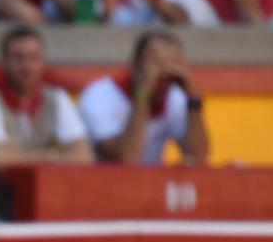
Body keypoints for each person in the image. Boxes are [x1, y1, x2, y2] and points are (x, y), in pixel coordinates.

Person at [0, 26, 93, 224]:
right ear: (3, 62)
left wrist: (32, 158)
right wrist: (54, 156)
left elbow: (84, 157)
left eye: (33, 58)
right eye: (18, 58)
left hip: (28, 213)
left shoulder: (56, 99)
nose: (27, 66)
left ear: (43, 62)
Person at [78, 29, 209, 164]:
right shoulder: (100, 96)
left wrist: (193, 100)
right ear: (135, 66)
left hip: (150, 182)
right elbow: (126, 158)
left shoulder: (174, 97)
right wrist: (143, 94)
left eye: (174, 65)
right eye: (157, 64)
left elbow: (197, 157)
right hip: (101, 181)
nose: (164, 74)